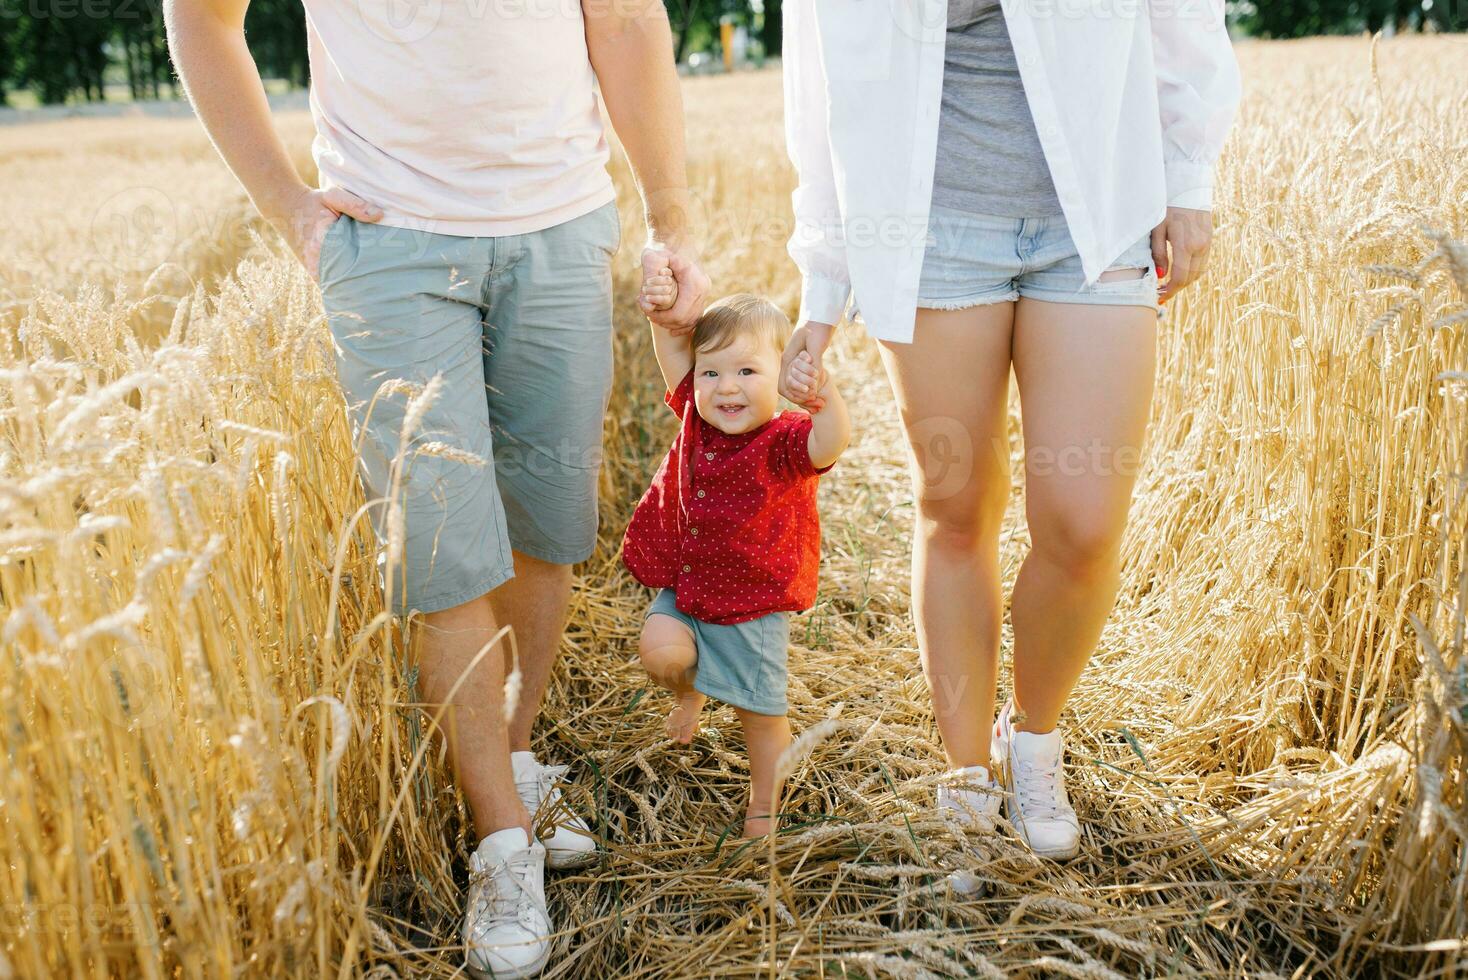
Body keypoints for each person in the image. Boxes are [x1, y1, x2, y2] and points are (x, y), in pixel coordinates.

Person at [164, 0, 710, 974]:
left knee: (547, 530)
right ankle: (502, 839)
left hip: (561, 226)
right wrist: (293, 207)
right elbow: (200, 16)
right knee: (443, 550)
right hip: (393, 250)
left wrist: (670, 217)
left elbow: (624, 20)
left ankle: (512, 753)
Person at [779, 0, 1241, 861]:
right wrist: (824, 281)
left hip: (1096, 208)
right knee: (957, 511)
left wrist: (1187, 177)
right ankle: (965, 773)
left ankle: (1032, 739)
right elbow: (818, 77)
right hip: (926, 229)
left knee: (1084, 525)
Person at [622, 288, 850, 838]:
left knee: (759, 716)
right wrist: (663, 312)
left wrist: (825, 398)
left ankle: (763, 805)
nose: (726, 386)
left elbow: (833, 441)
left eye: (747, 371)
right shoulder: (697, 419)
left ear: (782, 378)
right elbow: (673, 352)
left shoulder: (785, 440)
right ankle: (689, 690)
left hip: (752, 599)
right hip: (691, 579)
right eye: (711, 373)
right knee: (660, 651)